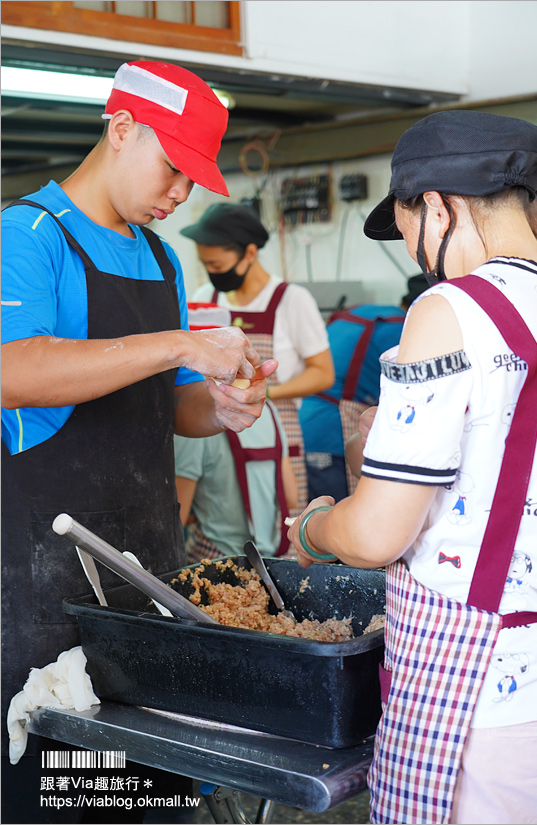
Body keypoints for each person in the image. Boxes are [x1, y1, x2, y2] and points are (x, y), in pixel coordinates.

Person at [1, 60, 276, 823]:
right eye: (174, 169)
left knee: (152, 798)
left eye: (195, 179)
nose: (181, 194)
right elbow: (13, 369)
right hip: (44, 590)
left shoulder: (159, 255)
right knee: (61, 798)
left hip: (148, 580)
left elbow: (171, 408)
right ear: (121, 130)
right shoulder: (27, 233)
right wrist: (182, 347)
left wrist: (223, 406)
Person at [287, 110, 537, 825]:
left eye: (412, 241)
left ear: (439, 206)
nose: (420, 266)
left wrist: (314, 529)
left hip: (481, 700)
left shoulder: (451, 306)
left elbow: (376, 534)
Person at [179, 203, 335, 516]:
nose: (212, 272)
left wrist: (261, 393)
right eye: (206, 264)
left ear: (250, 253)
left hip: (277, 433)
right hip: (217, 433)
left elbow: (323, 373)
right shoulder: (206, 297)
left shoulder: (291, 300)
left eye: (218, 265)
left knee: (277, 521)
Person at [299, 274, 428, 502]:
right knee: (335, 510)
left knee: (317, 508)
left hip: (306, 420)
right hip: (332, 429)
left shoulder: (366, 312)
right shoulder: (401, 329)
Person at [174, 398, 298, 563]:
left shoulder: (193, 416)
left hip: (215, 559)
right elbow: (291, 497)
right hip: (270, 559)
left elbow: (176, 518)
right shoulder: (267, 409)